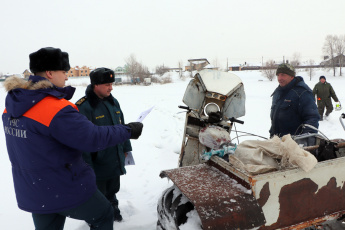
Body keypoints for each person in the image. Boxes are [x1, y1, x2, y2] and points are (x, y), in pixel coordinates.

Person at [2, 47, 143, 230]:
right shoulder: (54, 108)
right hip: (62, 187)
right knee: (103, 214)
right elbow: (92, 137)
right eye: (64, 71)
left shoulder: (11, 107)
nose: (67, 77)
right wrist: (127, 130)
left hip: (33, 190)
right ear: (50, 73)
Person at [76, 67, 131, 222]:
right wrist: (86, 166)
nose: (111, 87)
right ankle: (98, 217)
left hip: (114, 157)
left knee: (112, 189)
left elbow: (123, 127)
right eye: (107, 84)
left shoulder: (114, 102)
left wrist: (126, 148)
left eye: (111, 83)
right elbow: (82, 140)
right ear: (96, 85)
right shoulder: (83, 107)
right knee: (97, 193)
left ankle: (113, 208)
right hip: (97, 161)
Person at [269, 63, 319, 138]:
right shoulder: (277, 92)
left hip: (295, 144)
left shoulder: (302, 93)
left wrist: (304, 140)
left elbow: (312, 118)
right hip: (277, 142)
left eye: (283, 75)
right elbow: (275, 119)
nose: (279, 78)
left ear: (291, 76)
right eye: (278, 75)